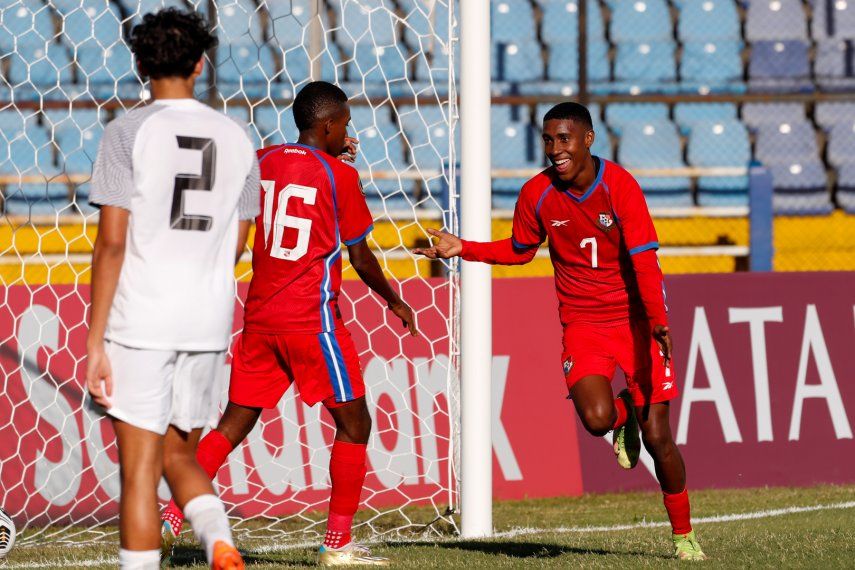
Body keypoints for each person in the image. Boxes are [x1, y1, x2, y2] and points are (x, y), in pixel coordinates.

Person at [413, 102, 706, 561]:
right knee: (594, 419)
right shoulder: (537, 194)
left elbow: (646, 261)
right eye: (548, 140)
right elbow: (518, 250)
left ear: (588, 139)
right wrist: (463, 248)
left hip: (635, 322)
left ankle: (684, 534)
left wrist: (658, 321)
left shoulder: (621, 187)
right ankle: (622, 416)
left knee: (658, 436)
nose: (555, 150)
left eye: (564, 139)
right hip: (584, 324)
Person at [159, 81, 417, 567]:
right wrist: (394, 301)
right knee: (355, 423)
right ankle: (337, 547)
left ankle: (171, 518)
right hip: (311, 321)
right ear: (328, 125)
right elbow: (359, 257)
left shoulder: (261, 159)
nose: (348, 130)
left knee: (235, 422)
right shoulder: (338, 176)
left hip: (259, 317)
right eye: (345, 123)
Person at [86, 8, 257, 570]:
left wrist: (94, 341)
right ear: (202, 62)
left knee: (138, 470)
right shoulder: (236, 137)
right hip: (207, 320)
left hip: (143, 320)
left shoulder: (127, 131)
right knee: (179, 452)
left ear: (140, 64)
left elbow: (112, 244)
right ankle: (217, 540)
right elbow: (240, 241)